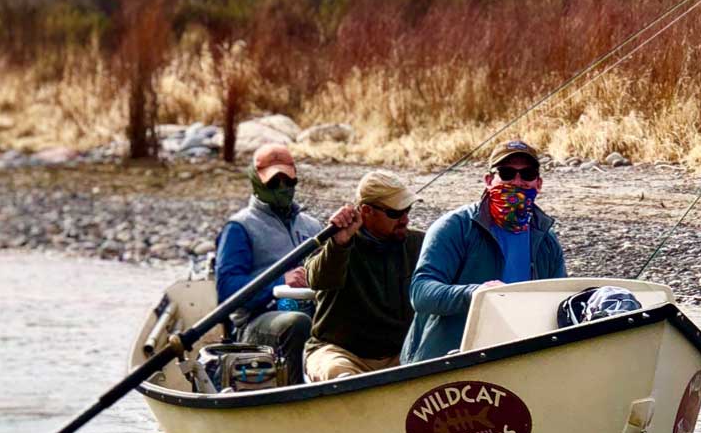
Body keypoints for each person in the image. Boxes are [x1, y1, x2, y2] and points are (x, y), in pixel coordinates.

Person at [400, 139, 567, 364]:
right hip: (445, 362)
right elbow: (421, 293)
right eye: (506, 173)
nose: (517, 181)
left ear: (538, 183)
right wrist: (476, 294)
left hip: (515, 358)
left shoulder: (547, 239)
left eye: (527, 174)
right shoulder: (454, 227)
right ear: (489, 180)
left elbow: (559, 300)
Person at [214, 144, 323, 384]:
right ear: (257, 182)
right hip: (255, 321)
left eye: (288, 181)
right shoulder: (240, 227)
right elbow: (227, 289)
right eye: (274, 182)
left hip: (313, 310)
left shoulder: (313, 227)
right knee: (295, 323)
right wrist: (280, 281)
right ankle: (295, 395)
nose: (283, 188)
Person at [302, 171, 425, 381]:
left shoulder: (419, 242)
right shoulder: (337, 243)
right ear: (367, 211)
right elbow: (317, 279)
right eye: (395, 213)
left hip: (402, 354)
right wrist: (338, 244)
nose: (405, 219)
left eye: (408, 210)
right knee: (338, 375)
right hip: (340, 353)